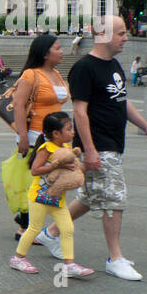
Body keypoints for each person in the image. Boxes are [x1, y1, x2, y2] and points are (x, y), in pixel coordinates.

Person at [37, 16, 147, 280]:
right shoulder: (84, 68)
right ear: (103, 35)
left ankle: (50, 234)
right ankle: (114, 258)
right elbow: (79, 112)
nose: (125, 38)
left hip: (113, 143)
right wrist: (90, 150)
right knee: (114, 198)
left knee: (90, 196)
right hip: (99, 144)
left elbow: (122, 101)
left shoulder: (114, 65)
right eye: (120, 33)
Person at [10, 112, 93, 277]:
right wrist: (56, 165)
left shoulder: (67, 148)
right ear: (56, 133)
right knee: (33, 228)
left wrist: (85, 167)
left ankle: (69, 264)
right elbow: (35, 170)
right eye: (69, 129)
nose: (72, 132)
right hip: (39, 197)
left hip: (57, 198)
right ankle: (18, 258)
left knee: (67, 228)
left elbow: (73, 168)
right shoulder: (46, 148)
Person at [10, 34, 69, 243]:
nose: (62, 51)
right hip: (36, 135)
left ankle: (35, 225)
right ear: (45, 53)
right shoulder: (30, 75)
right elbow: (18, 104)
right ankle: (25, 227)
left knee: (50, 180)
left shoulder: (57, 74)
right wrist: (22, 135)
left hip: (56, 136)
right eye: (57, 48)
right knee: (36, 181)